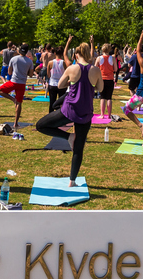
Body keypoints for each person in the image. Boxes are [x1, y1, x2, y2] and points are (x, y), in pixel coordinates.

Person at [35, 42, 102, 187]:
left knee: (41, 126)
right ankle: (72, 180)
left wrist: (73, 83)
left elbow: (60, 85)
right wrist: (89, 85)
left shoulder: (72, 68)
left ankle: (68, 137)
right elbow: (100, 88)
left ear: (76, 55)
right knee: (79, 148)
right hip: (85, 111)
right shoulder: (95, 70)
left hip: (69, 110)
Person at [0, 44, 34, 128]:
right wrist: (25, 71)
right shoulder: (29, 61)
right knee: (19, 103)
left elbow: (9, 73)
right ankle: (16, 123)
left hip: (13, 82)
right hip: (22, 83)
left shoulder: (13, 59)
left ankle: (13, 99)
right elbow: (31, 74)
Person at [46, 40, 70, 111]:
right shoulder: (64, 63)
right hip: (62, 84)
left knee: (52, 103)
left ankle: (50, 117)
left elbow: (48, 74)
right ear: (62, 53)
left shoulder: (50, 62)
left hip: (52, 84)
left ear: (55, 53)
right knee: (61, 104)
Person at [97, 43, 117, 120]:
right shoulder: (112, 58)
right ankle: (109, 115)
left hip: (102, 79)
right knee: (109, 98)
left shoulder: (99, 58)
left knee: (102, 97)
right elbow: (115, 69)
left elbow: (95, 68)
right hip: (110, 79)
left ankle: (102, 114)